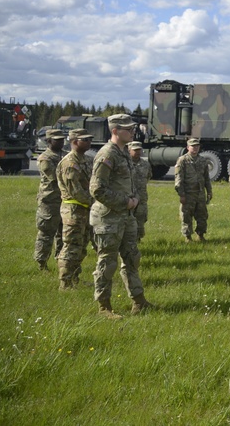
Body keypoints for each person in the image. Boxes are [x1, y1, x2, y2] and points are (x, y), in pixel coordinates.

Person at [89, 114, 153, 318]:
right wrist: (125, 201)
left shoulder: (123, 152)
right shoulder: (107, 155)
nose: (132, 132)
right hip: (109, 218)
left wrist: (132, 201)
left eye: (133, 128)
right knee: (107, 263)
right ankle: (104, 307)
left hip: (126, 217)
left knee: (132, 259)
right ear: (115, 131)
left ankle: (139, 301)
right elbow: (97, 189)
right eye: (128, 129)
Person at [55, 128, 94, 290]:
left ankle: (74, 278)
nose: (89, 142)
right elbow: (76, 192)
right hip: (73, 210)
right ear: (74, 141)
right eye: (85, 140)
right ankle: (65, 283)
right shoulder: (69, 163)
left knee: (81, 246)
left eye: (89, 139)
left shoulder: (86, 160)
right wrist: (96, 202)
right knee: (71, 246)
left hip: (85, 209)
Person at [34, 128, 67, 271]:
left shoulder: (66, 156)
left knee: (63, 234)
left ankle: (61, 262)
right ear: (48, 141)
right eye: (57, 140)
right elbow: (55, 177)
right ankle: (42, 263)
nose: (61, 142)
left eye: (62, 139)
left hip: (65, 200)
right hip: (50, 201)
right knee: (46, 233)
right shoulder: (45, 158)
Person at [174, 137, 213, 241]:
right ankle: (188, 237)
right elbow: (179, 178)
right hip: (188, 193)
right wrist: (181, 194)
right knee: (186, 216)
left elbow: (206, 178)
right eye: (193, 146)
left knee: (202, 215)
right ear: (188, 147)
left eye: (197, 146)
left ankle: (200, 235)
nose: (195, 148)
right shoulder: (183, 160)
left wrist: (209, 191)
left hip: (200, 193)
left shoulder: (203, 160)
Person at [128, 141, 150, 241]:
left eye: (139, 150)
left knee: (141, 219)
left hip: (141, 197)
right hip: (129, 197)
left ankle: (138, 240)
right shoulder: (125, 164)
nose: (138, 152)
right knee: (128, 220)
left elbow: (148, 176)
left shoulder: (145, 164)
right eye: (135, 150)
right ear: (129, 150)